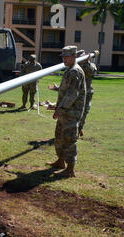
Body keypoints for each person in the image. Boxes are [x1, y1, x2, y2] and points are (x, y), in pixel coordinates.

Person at [47, 45, 86, 178]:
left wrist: (60, 109)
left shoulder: (75, 72)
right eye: (63, 57)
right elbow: (65, 91)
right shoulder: (69, 70)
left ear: (74, 56)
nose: (64, 59)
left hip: (71, 112)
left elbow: (71, 95)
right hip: (65, 111)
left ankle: (70, 169)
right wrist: (56, 106)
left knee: (69, 139)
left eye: (67, 57)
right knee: (59, 136)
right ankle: (60, 161)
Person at [76, 49, 97, 137]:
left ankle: (80, 128)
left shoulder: (91, 65)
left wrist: (86, 63)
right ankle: (75, 130)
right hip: (77, 93)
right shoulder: (75, 67)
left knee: (85, 112)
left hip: (87, 93)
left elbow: (93, 72)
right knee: (76, 112)